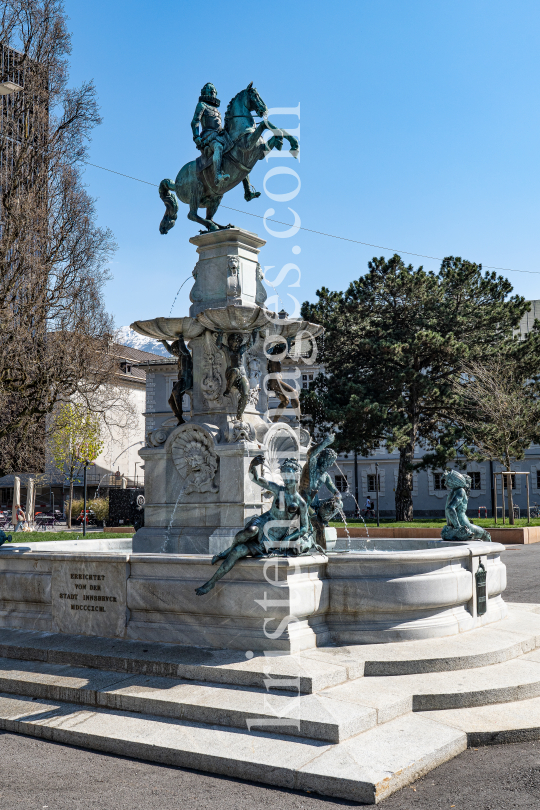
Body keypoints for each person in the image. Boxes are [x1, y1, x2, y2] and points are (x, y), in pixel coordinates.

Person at [195, 456, 313, 595]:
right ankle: (225, 551)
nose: (286, 478)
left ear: (296, 475)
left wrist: (289, 538)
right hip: (263, 522)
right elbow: (255, 479)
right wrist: (253, 465)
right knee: (250, 531)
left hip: (272, 536)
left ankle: (211, 583)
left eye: (289, 474)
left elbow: (305, 527)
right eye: (284, 474)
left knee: (238, 552)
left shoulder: (301, 503)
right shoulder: (278, 490)